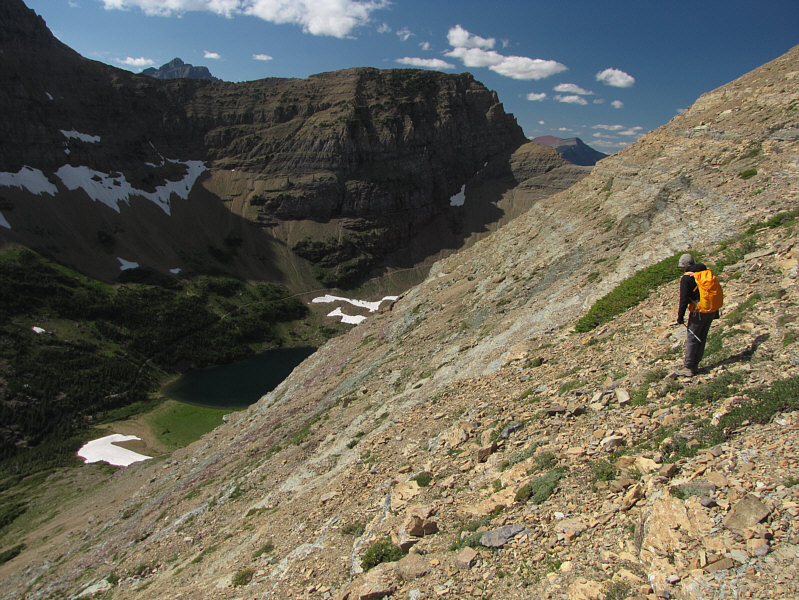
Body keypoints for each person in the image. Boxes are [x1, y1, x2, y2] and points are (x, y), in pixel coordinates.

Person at [675, 253, 719, 376]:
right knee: (702, 337)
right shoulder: (706, 273)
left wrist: (680, 317)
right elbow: (712, 293)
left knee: (692, 338)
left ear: (684, 266)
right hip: (710, 310)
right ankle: (695, 364)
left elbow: (683, 299)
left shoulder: (687, 278)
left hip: (698, 312)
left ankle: (688, 367)